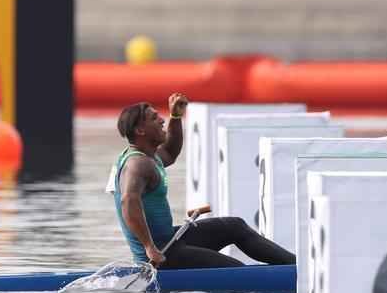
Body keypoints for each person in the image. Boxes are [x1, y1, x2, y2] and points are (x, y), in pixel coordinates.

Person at [111, 95, 296, 269]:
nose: (161, 120)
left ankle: (295, 264)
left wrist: (176, 116)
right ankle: (286, 274)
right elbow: (128, 200)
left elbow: (170, 152)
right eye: (154, 118)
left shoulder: (150, 156)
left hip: (169, 240)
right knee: (235, 270)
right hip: (161, 255)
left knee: (235, 226)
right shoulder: (138, 164)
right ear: (140, 130)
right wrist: (149, 248)